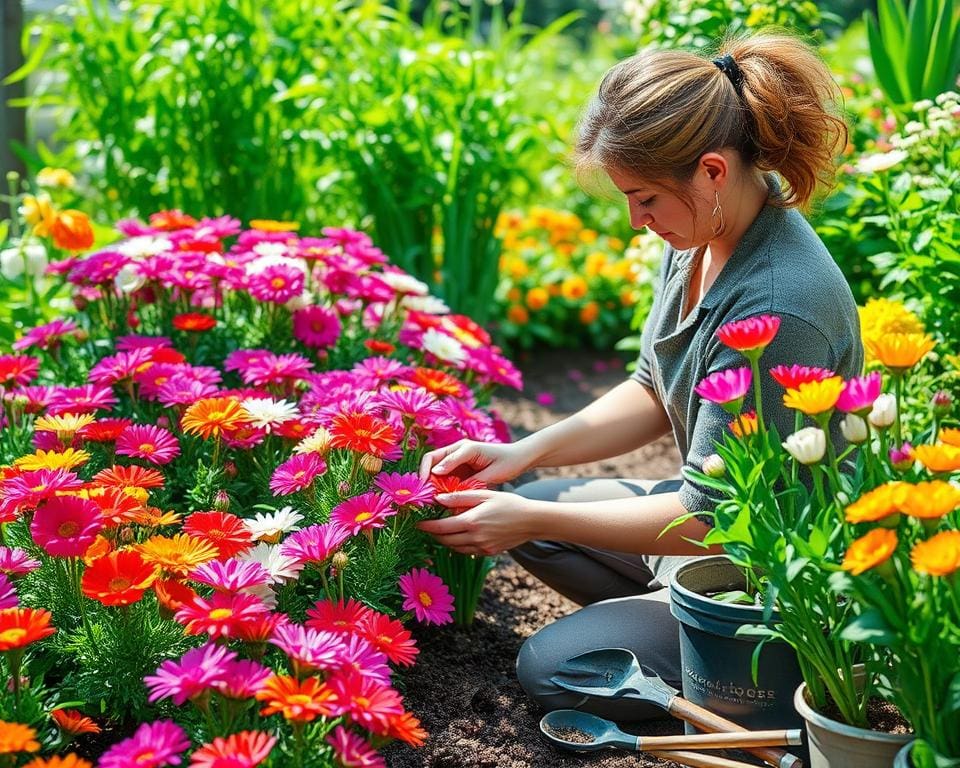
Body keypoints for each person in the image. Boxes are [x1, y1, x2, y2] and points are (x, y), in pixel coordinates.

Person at [417, 33, 863, 720]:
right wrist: (520, 455)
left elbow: (713, 517)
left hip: (778, 578)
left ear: (712, 171)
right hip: (713, 527)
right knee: (535, 510)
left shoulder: (781, 303)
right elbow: (654, 388)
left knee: (552, 668)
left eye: (645, 198)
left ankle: (750, 675)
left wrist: (527, 514)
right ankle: (662, 619)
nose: (636, 221)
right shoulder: (706, 231)